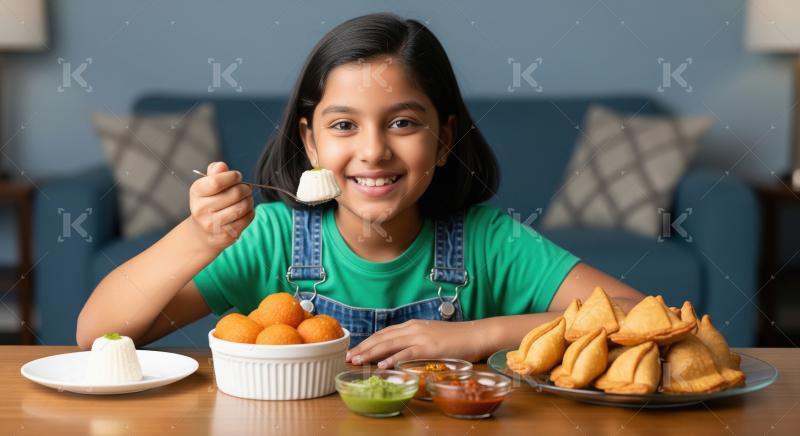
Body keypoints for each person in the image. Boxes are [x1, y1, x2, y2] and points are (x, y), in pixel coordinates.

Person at [77, 13, 644, 369]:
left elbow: (638, 312)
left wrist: (480, 335)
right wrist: (198, 238)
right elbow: (95, 335)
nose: (373, 151)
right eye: (344, 125)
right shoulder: (269, 237)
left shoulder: (490, 242)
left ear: (444, 139)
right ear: (312, 142)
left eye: (403, 123)